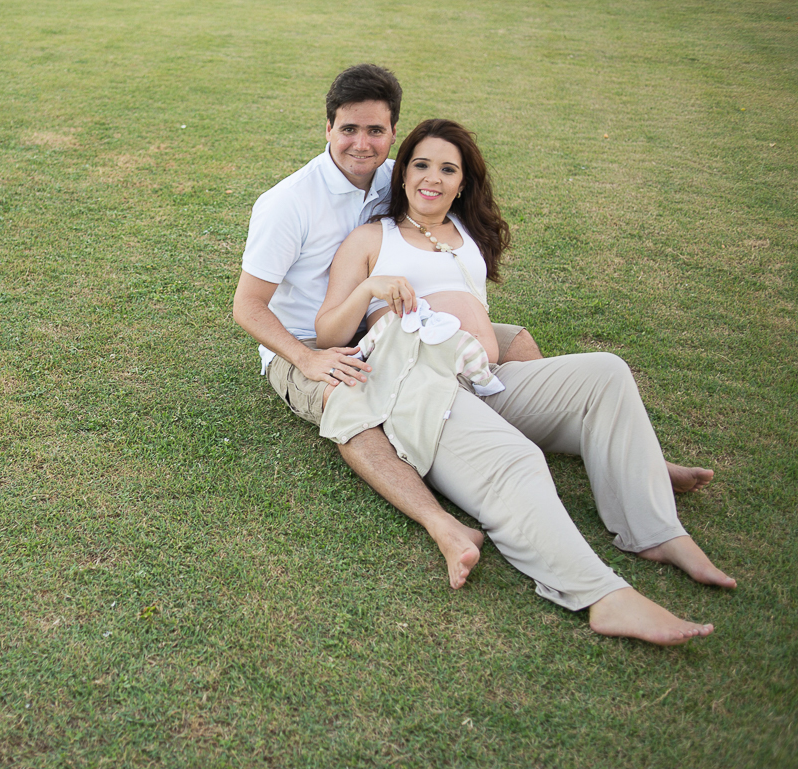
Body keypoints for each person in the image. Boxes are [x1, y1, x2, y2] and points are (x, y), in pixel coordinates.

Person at [233, 64, 712, 592]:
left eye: (375, 130)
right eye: (348, 129)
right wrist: (308, 359)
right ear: (327, 128)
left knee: (516, 342)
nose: (361, 143)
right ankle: (441, 522)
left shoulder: (399, 175)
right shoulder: (288, 203)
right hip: (309, 342)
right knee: (353, 406)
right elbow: (249, 307)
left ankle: (621, 454)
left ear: (393, 131)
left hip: (406, 325)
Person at [314, 118, 735, 645]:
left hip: (485, 379)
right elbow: (327, 329)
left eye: (449, 169)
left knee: (605, 372)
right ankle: (602, 597)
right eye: (421, 164)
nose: (433, 178)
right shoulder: (373, 237)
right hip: (417, 389)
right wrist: (370, 289)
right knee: (518, 460)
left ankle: (655, 531)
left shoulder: (467, 236)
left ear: (463, 183)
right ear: (402, 175)